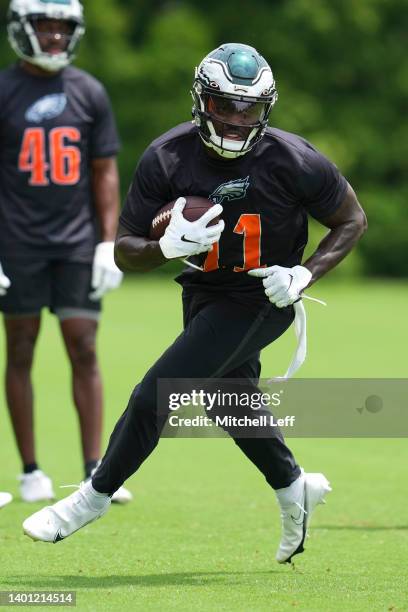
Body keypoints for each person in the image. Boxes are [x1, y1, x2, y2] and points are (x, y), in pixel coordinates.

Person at [23, 43, 367, 563]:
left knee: (161, 390)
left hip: (262, 294)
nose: (234, 119)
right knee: (226, 397)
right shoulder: (167, 155)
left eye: (246, 108)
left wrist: (304, 273)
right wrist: (163, 247)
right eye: (222, 105)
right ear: (200, 101)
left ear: (265, 109)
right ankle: (293, 484)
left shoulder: (294, 159)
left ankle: (92, 497)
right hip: (204, 290)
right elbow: (124, 250)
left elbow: (352, 219)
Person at [0, 0, 131, 504]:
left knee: (85, 347)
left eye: (62, 28)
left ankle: (96, 470)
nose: (55, 36)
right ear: (22, 29)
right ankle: (30, 470)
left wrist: (106, 240)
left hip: (75, 242)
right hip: (17, 241)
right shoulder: (5, 90)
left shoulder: (89, 91)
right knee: (20, 349)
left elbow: (104, 170)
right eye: (45, 26)